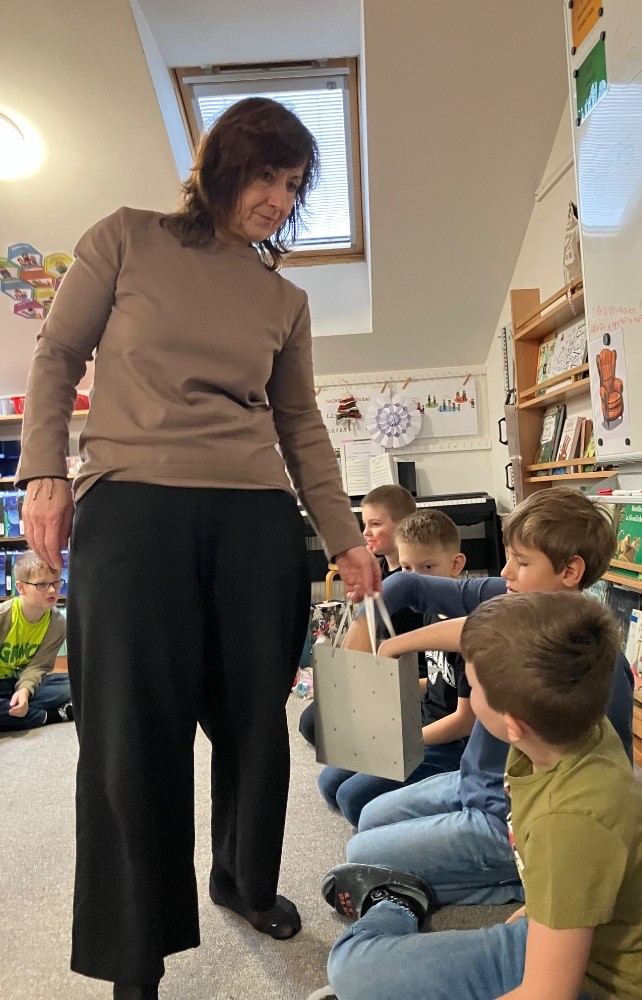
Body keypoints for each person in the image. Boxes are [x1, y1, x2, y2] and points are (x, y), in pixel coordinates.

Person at [16, 97, 380, 999]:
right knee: (132, 735)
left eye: (293, 185)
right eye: (266, 177)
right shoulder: (126, 238)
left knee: (255, 726)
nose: (278, 200)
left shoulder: (284, 300)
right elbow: (57, 356)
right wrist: (43, 470)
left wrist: (345, 538)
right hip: (132, 509)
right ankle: (133, 952)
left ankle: (244, 882)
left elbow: (301, 426)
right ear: (221, 166)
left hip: (255, 520)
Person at [318, 592, 642, 1000]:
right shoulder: (570, 729)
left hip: (593, 984)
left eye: (473, 685)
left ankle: (394, 905)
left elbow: (547, 995)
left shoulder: (569, 823)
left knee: (351, 968)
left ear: (512, 725)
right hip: (566, 933)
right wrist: (539, 906)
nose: (467, 692)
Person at [344, 486, 634, 906]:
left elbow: (614, 774)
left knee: (361, 853)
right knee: (369, 816)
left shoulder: (594, 663)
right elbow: (416, 590)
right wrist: (373, 630)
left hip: (511, 819)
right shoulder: (511, 597)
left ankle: (521, 879)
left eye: (521, 562)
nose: (506, 572)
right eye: (509, 557)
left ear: (570, 571)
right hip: (473, 782)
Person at [317, 509, 472, 825]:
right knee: (330, 782)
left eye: (427, 567)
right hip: (423, 724)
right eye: (406, 569)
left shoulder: (469, 627)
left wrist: (406, 740)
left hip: (451, 744)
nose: (414, 579)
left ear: (456, 564)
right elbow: (439, 680)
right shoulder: (429, 610)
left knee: (351, 800)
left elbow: (464, 721)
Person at [298, 483, 419, 747]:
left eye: (375, 524)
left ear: (404, 524)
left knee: (320, 724)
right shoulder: (379, 569)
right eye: (364, 525)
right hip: (377, 670)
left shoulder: (412, 577)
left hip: (403, 677)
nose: (366, 533)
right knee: (311, 721)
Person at [0, 550, 72, 731]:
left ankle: (17, 711)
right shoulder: (3, 616)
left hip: (24, 683)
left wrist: (24, 691)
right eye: (42, 584)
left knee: (72, 685)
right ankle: (49, 716)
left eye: (56, 582)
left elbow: (38, 666)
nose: (52, 590)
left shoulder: (58, 624)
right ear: (21, 588)